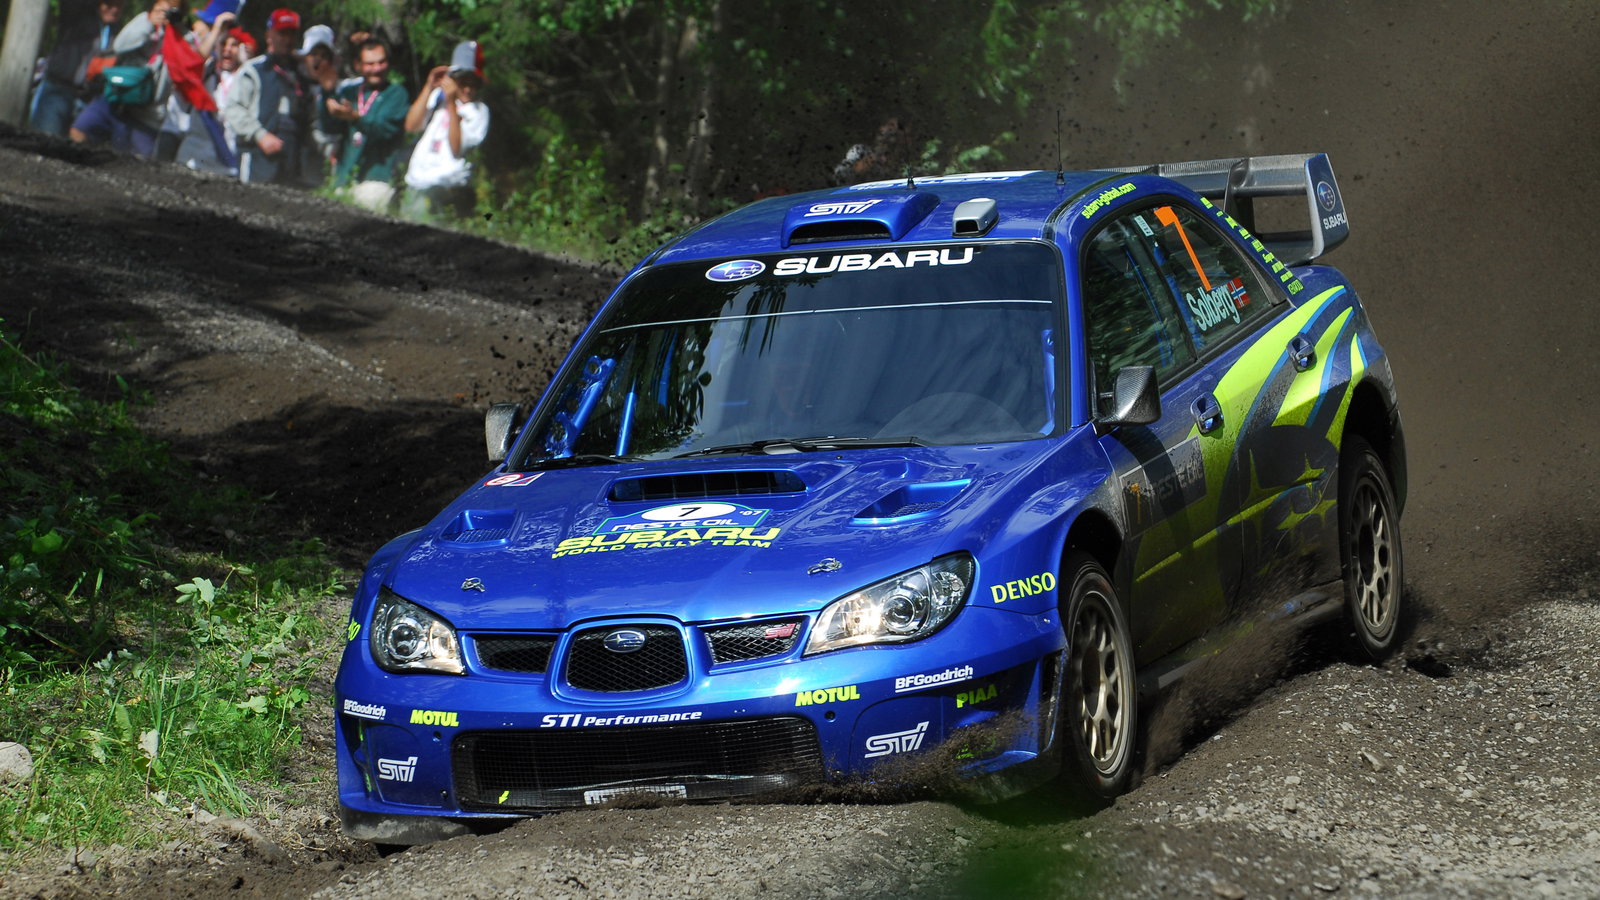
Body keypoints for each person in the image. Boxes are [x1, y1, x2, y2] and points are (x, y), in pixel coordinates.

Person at [68, 0, 183, 157]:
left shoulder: (182, 36)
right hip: (117, 97)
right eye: (161, 9)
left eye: (172, 10)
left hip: (147, 115)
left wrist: (177, 30)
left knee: (140, 165)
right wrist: (148, 23)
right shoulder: (143, 21)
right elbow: (120, 45)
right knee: (78, 132)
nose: (165, 14)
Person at [401, 40, 490, 222]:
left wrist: (451, 104)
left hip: (447, 184)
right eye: (463, 82)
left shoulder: (479, 112)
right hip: (418, 178)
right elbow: (411, 126)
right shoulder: (436, 98)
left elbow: (456, 147)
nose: (467, 89)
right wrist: (429, 87)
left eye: (473, 84)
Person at [315, 36, 408, 208]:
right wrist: (328, 92)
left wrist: (355, 118)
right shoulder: (349, 92)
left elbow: (383, 130)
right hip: (344, 178)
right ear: (358, 65)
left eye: (381, 62)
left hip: (376, 180)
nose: (377, 69)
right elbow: (330, 128)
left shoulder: (396, 94)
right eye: (370, 64)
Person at [221, 8, 310, 184]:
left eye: (291, 34)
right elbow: (233, 107)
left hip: (291, 161)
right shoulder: (254, 70)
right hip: (257, 157)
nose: (287, 40)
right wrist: (259, 135)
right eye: (281, 33)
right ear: (269, 35)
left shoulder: (301, 75)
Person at [29, 0, 126, 138]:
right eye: (108, 4)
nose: (114, 9)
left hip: (88, 99)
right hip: (59, 90)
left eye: (119, 5)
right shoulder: (76, 16)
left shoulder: (120, 33)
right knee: (44, 143)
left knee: (72, 154)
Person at [153, 1, 236, 161]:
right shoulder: (190, 43)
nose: (200, 27)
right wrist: (216, 28)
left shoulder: (220, 61)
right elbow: (196, 59)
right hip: (174, 126)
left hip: (198, 138)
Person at [174, 25, 250, 173]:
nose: (227, 49)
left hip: (226, 155)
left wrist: (246, 63)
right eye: (223, 44)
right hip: (194, 150)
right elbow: (190, 63)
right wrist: (217, 29)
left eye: (234, 45)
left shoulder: (244, 76)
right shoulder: (207, 69)